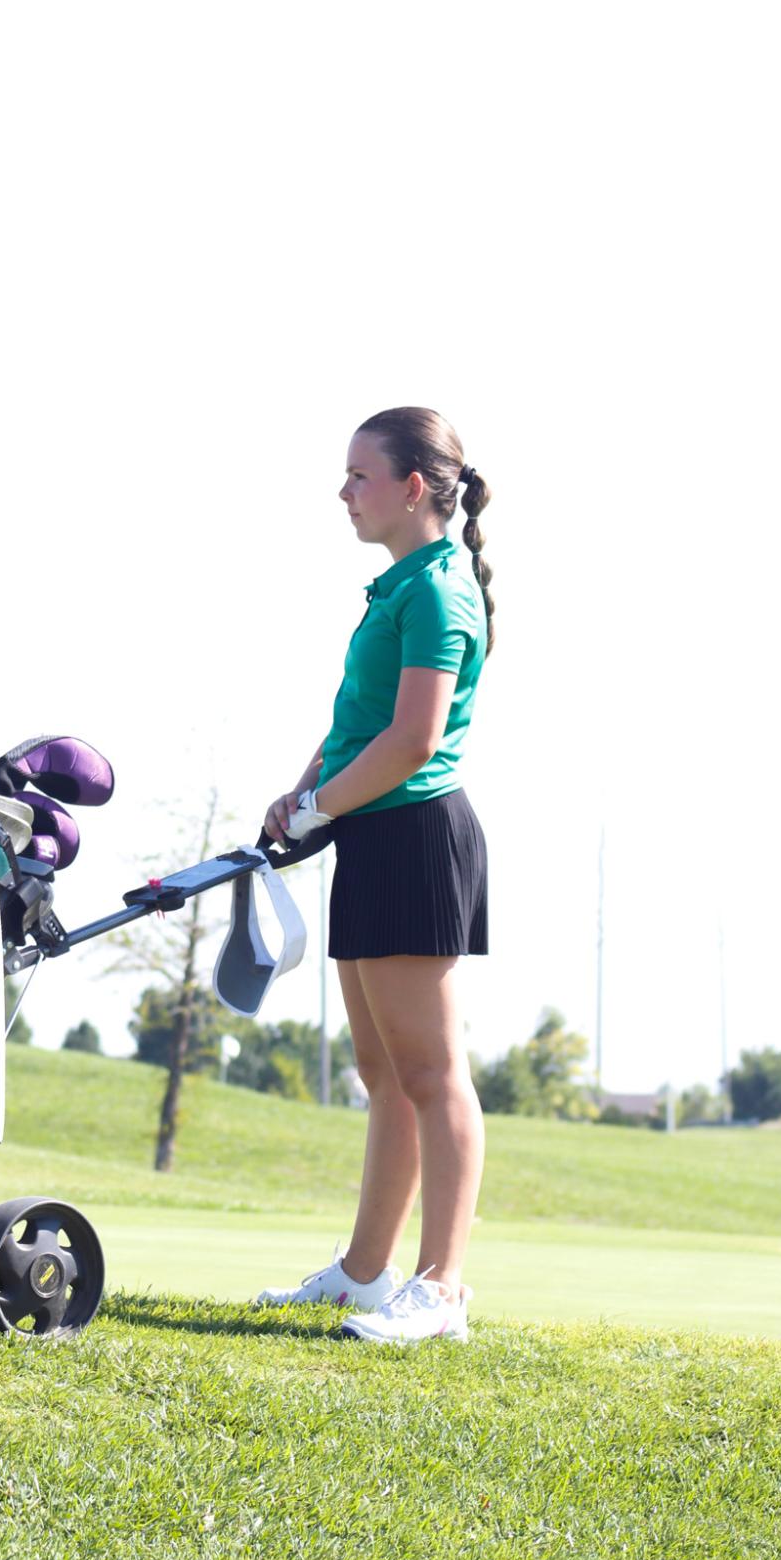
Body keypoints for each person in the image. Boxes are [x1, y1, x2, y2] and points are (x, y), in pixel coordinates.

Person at [256, 406, 493, 1345]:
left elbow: (413, 740)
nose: (344, 491)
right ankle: (365, 1273)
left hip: (414, 836)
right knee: (382, 1071)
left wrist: (324, 807)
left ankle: (441, 1292)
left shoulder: (441, 589)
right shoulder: (398, 586)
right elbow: (360, 720)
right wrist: (306, 787)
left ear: (410, 488)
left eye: (359, 475)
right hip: (370, 830)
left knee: (432, 1073)